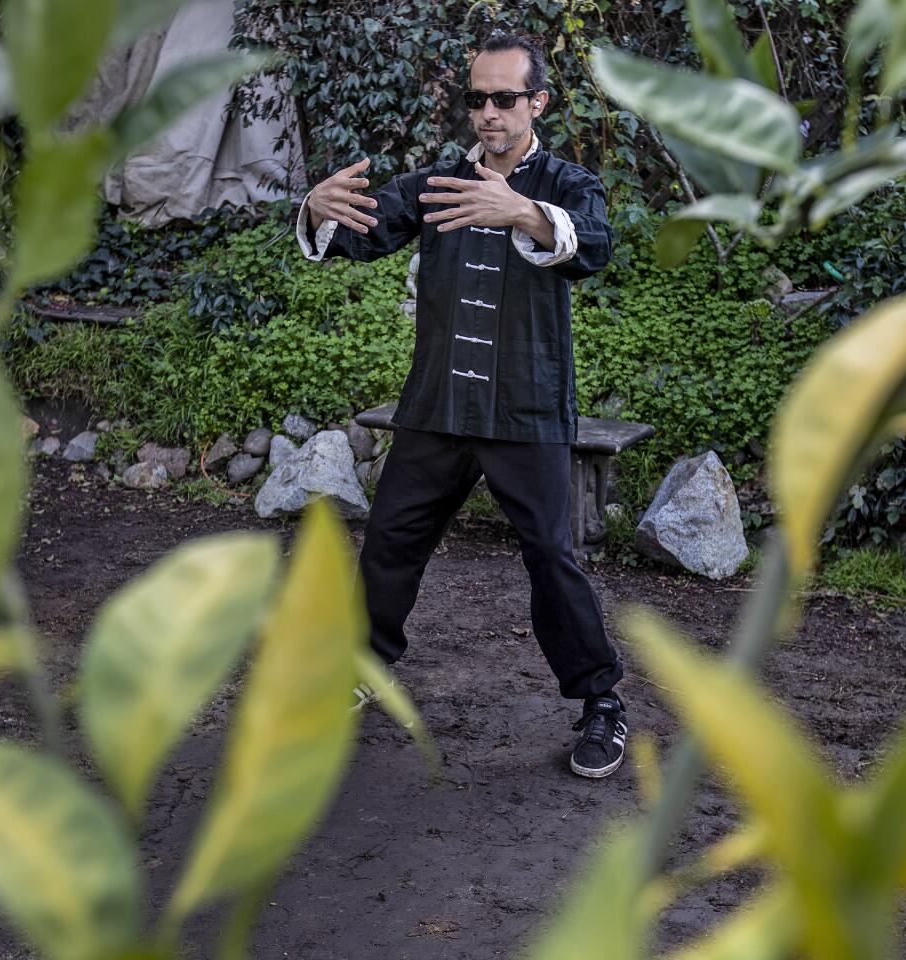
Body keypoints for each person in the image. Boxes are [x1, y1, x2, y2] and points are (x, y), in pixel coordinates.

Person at [296, 32, 627, 778]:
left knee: (550, 555)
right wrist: (319, 209)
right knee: (389, 542)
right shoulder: (437, 184)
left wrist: (525, 213)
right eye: (476, 98)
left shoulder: (568, 185)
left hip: (525, 408)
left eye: (503, 99)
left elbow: (595, 245)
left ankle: (601, 703)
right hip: (437, 406)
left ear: (536, 103)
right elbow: (360, 229)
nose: (487, 113)